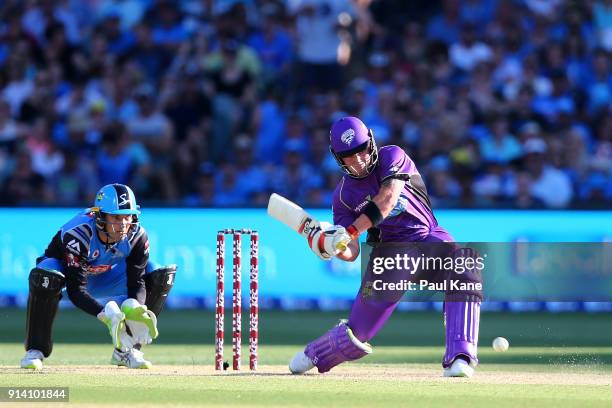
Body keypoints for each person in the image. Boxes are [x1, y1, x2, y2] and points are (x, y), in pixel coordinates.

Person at [288, 117, 482, 377]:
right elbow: (353, 251)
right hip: (390, 256)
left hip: (427, 238)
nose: (358, 160)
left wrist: (351, 231)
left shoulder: (393, 156)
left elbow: (388, 198)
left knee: (464, 266)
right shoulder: (343, 197)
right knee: (358, 334)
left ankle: (460, 358)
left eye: (361, 150)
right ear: (338, 158)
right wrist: (334, 246)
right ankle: (314, 353)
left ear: (371, 142)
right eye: (348, 156)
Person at [20, 184, 177, 370]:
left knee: (160, 274)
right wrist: (105, 314)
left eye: (127, 216)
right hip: (67, 277)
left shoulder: (138, 236)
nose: (123, 224)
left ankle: (127, 350)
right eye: (116, 217)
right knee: (46, 276)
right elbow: (76, 289)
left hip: (107, 276)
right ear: (100, 216)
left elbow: (137, 282)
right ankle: (35, 351)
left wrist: (135, 305)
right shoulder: (78, 234)